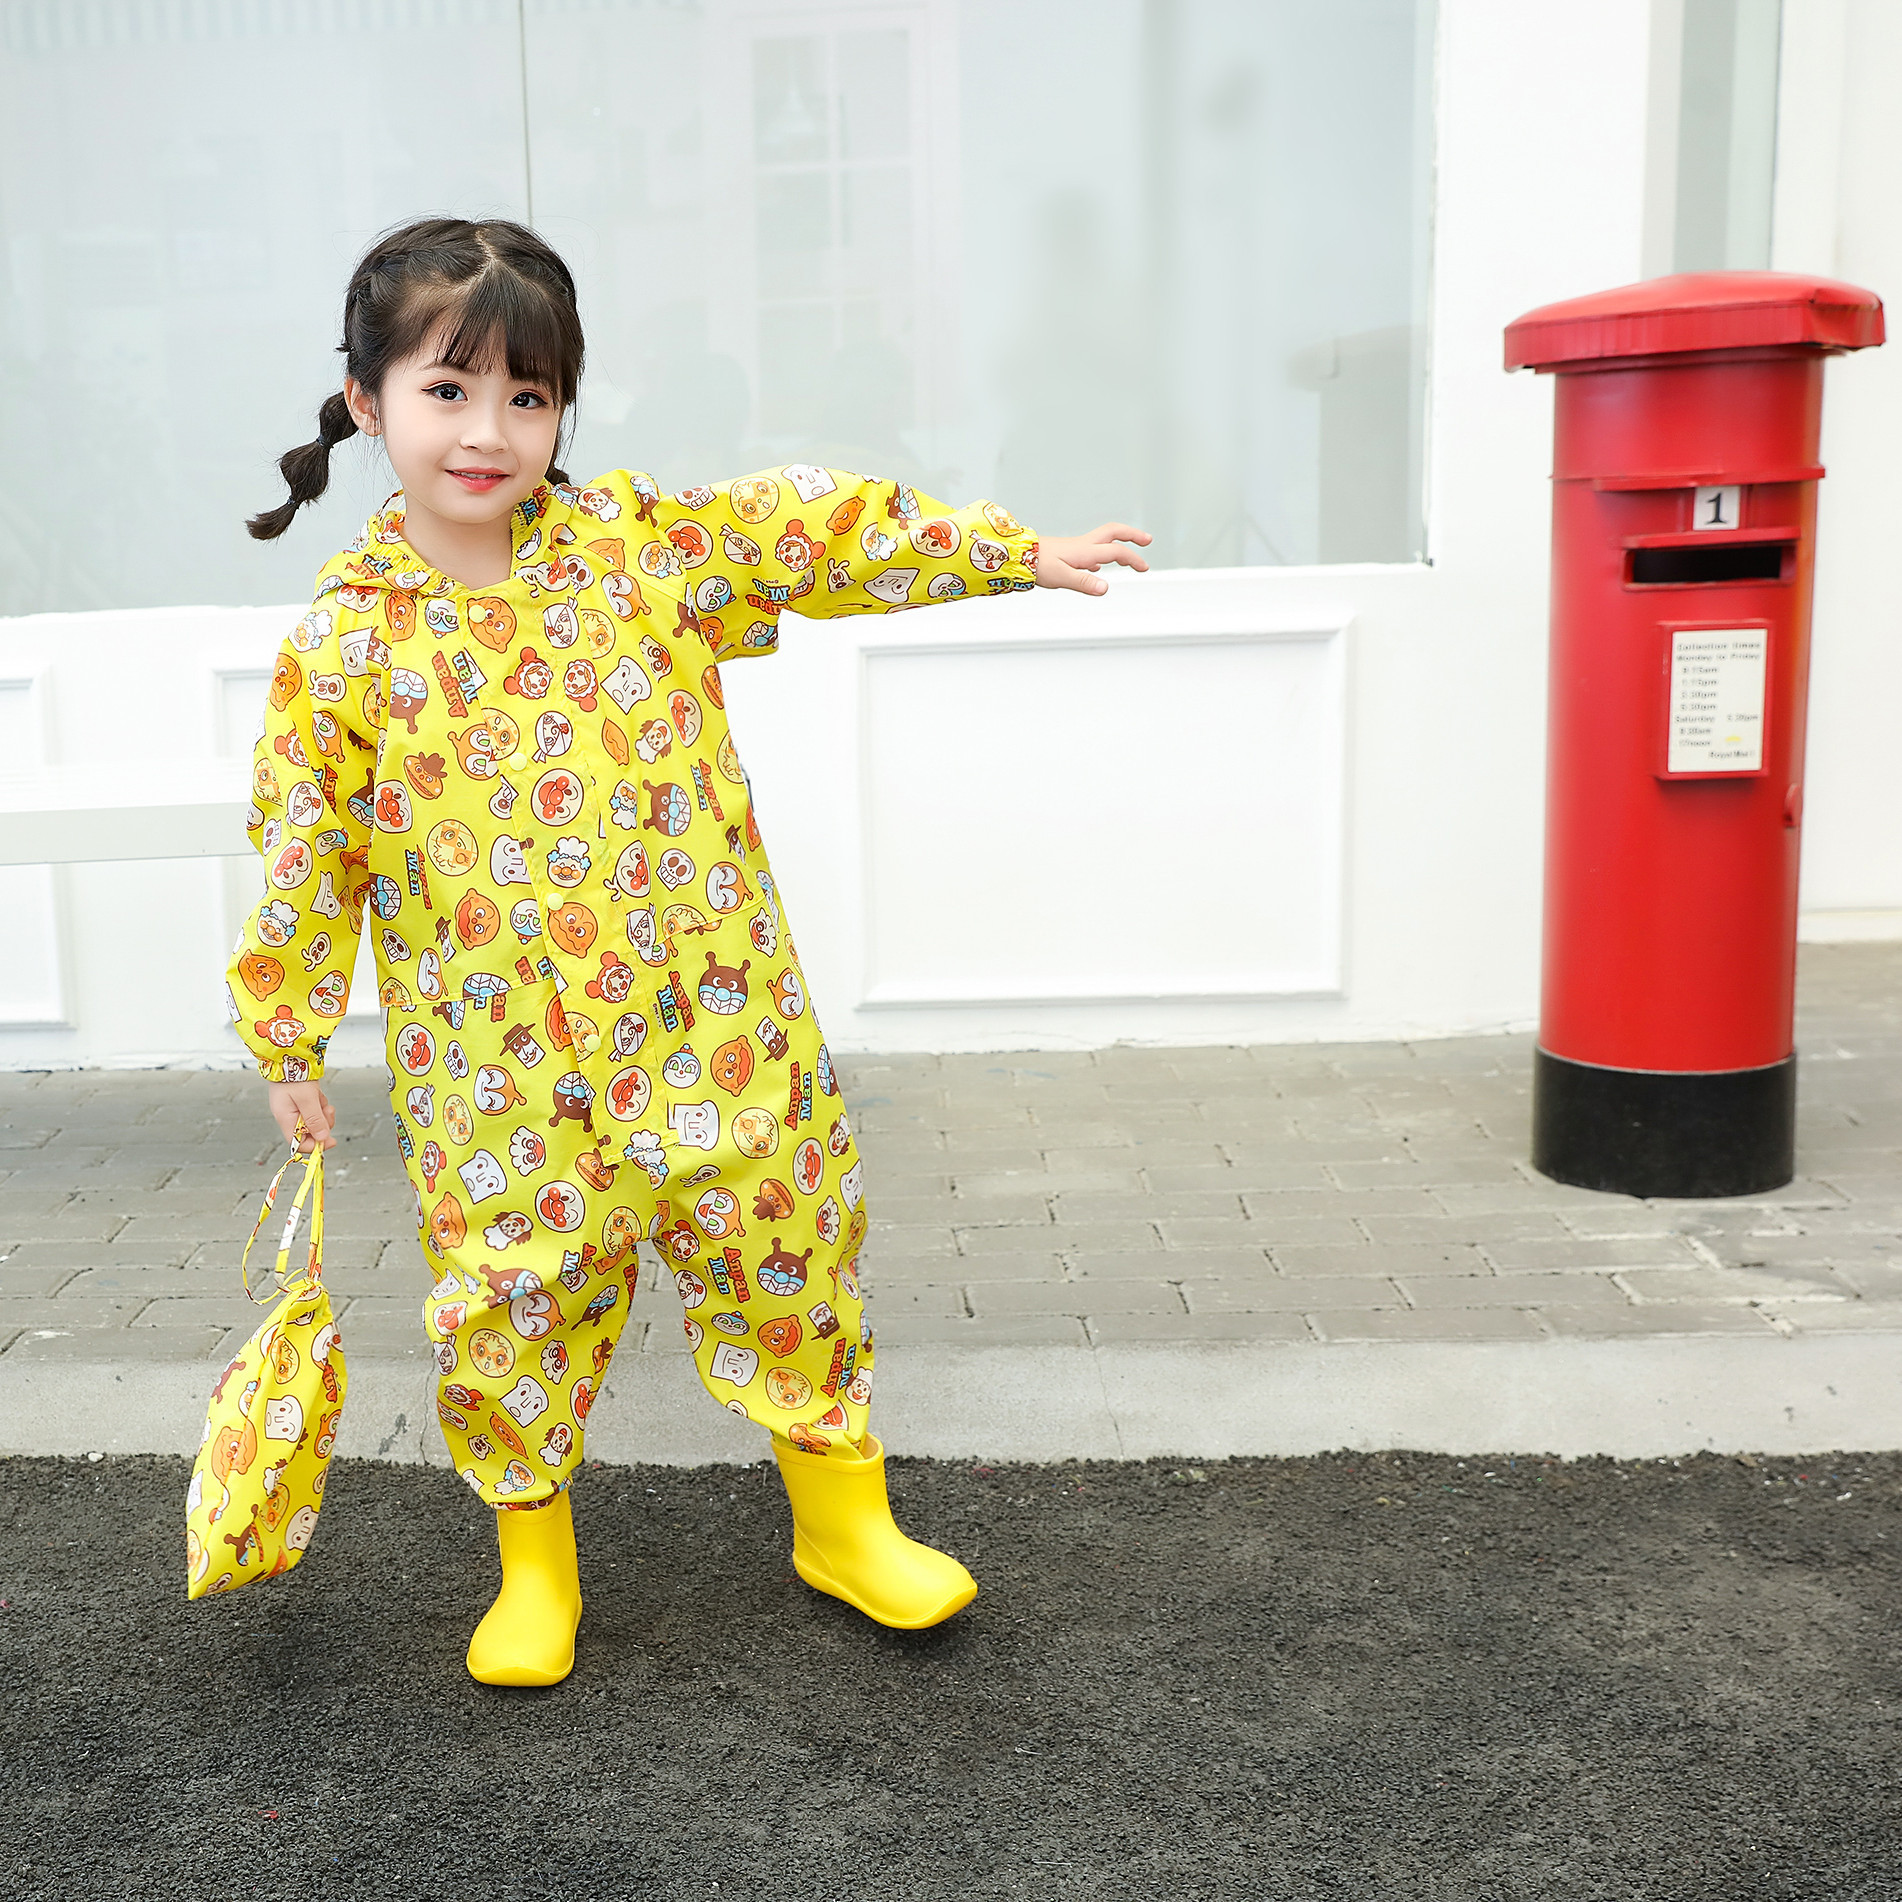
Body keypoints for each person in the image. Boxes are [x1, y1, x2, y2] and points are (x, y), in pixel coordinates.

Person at [230, 217, 1149, 1686]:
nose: (489, 432)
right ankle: (534, 1564)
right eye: (447, 391)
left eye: (528, 398)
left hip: (713, 1026)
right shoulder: (344, 646)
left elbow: (809, 526)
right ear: (366, 403)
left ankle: (843, 1521)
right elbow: (305, 849)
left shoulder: (634, 552)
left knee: (787, 1248)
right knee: (513, 1290)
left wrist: (1006, 554)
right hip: (499, 1077)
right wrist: (285, 1036)